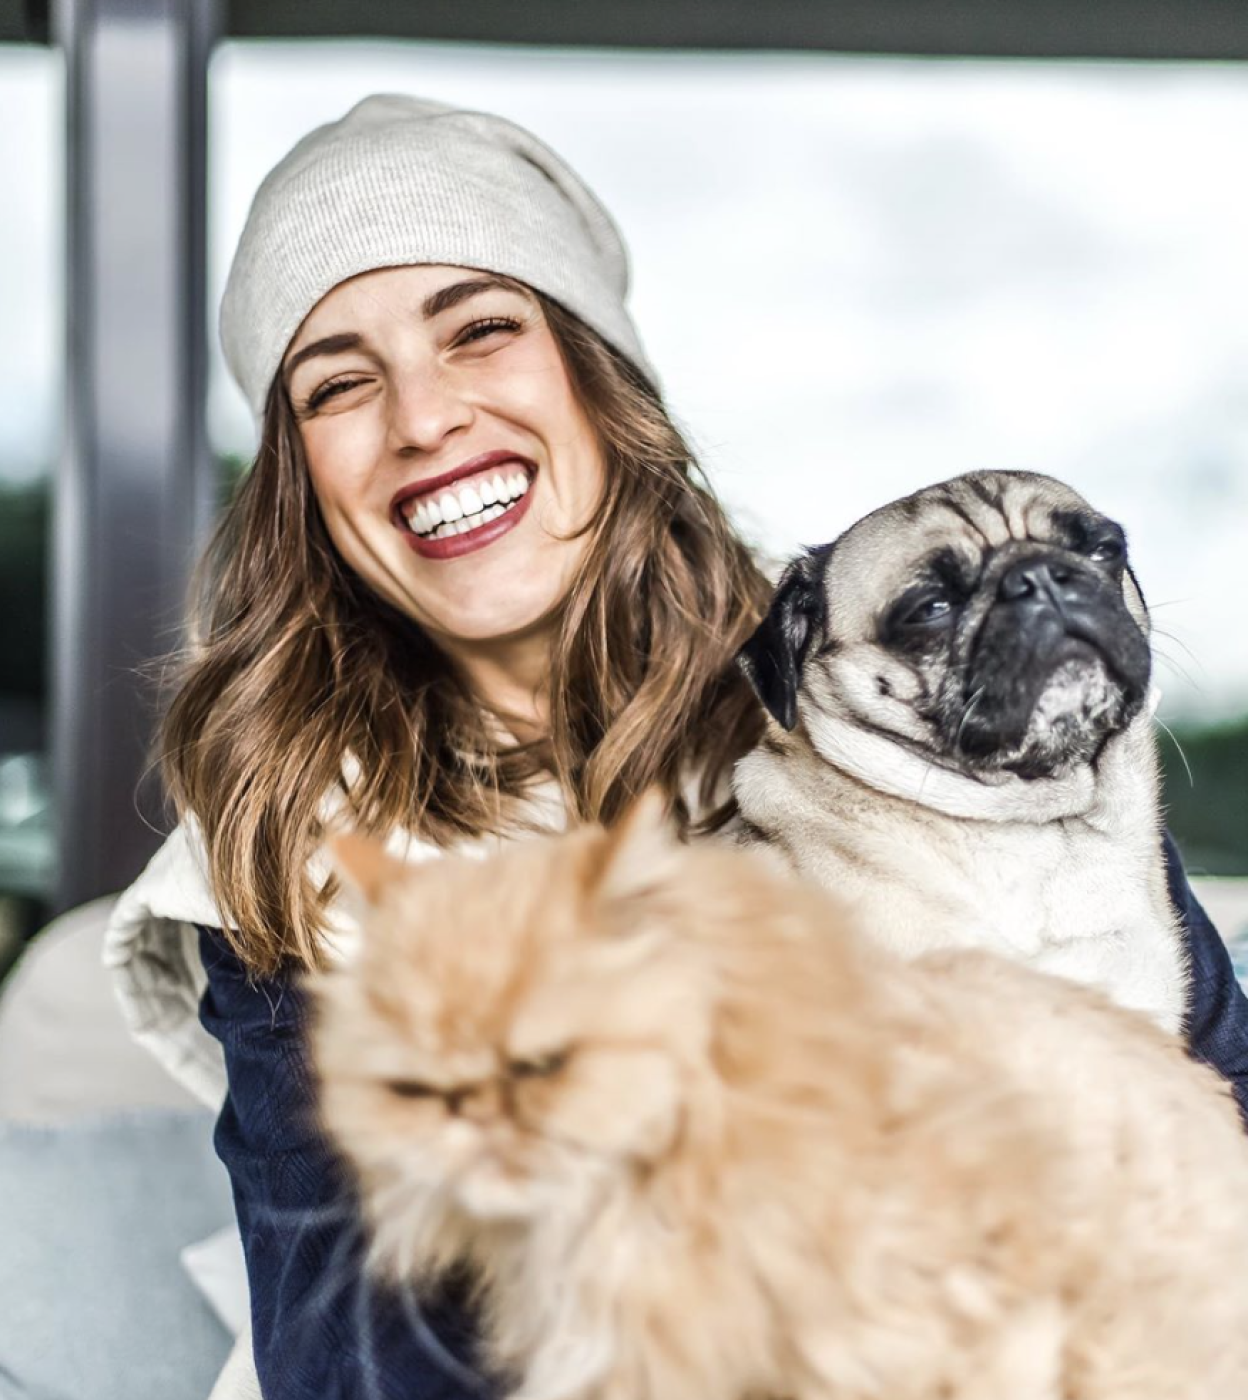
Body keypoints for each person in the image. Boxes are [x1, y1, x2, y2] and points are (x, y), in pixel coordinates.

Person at [105, 94, 1248, 1400]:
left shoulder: (886, 695)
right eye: (339, 385)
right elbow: (354, 1362)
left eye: (481, 328)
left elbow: (1209, 1103)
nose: (422, 415)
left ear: (601, 379)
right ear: (304, 484)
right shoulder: (296, 843)